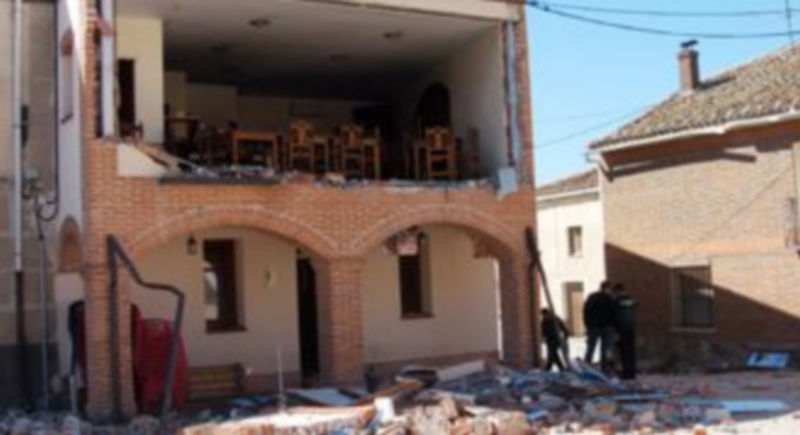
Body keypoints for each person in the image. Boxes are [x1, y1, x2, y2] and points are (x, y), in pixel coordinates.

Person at [583, 281, 616, 371]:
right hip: (606, 326)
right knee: (604, 348)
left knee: (590, 347)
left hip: (593, 327)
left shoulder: (592, 297)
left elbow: (586, 311)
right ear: (607, 288)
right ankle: (604, 367)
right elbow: (614, 313)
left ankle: (586, 366)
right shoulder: (609, 299)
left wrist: (587, 325)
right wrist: (614, 326)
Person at [612, 283, 638, 380]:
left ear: (617, 291)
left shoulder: (615, 302)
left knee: (623, 353)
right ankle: (632, 373)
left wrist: (615, 331)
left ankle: (626, 373)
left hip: (621, 330)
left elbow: (614, 317)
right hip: (631, 328)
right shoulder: (632, 300)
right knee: (631, 352)